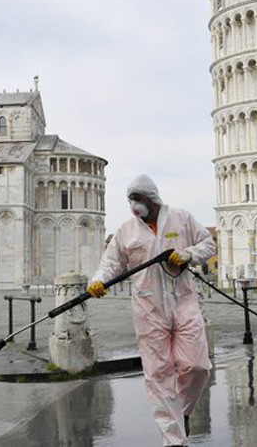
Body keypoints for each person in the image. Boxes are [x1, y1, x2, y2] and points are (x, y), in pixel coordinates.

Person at [87, 175, 215, 446]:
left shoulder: (181, 218)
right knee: (159, 375)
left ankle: (181, 413)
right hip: (149, 308)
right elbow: (110, 264)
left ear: (152, 199)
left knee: (198, 366)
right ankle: (174, 440)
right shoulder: (126, 231)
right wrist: (97, 281)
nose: (134, 205)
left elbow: (208, 244)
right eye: (130, 200)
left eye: (138, 199)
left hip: (183, 300)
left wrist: (189, 255)